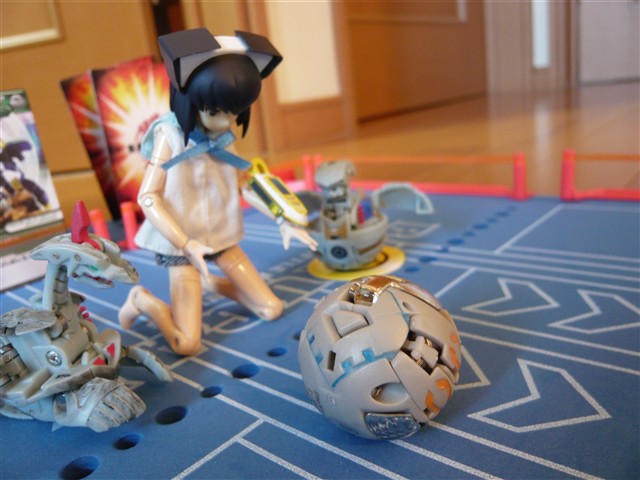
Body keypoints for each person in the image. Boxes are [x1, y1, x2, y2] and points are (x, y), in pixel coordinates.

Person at [119, 29, 316, 355]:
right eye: (216, 112)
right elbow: (147, 196)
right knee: (187, 344)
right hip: (183, 247)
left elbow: (243, 185)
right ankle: (143, 301)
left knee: (272, 308)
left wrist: (282, 218)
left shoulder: (224, 139)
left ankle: (209, 283)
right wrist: (185, 242)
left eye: (234, 112)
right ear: (190, 100)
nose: (226, 122)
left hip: (221, 239)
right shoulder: (170, 135)